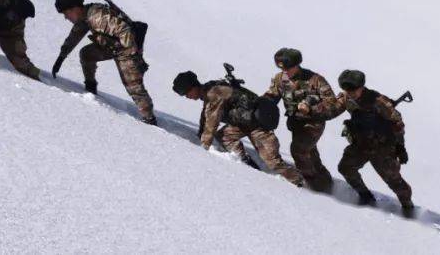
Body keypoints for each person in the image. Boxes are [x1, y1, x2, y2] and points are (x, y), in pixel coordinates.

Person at [173, 70, 303, 186]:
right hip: (243, 123)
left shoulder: (213, 93)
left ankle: (299, 181)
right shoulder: (208, 91)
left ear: (194, 86)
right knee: (223, 135)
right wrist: (201, 131)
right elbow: (206, 114)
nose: (187, 97)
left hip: (258, 125)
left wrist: (203, 147)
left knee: (273, 163)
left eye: (187, 92)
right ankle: (244, 161)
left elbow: (212, 122)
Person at [316, 70, 414, 214]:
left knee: (394, 180)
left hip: (382, 148)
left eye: (353, 90)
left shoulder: (379, 101)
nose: (350, 93)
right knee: (346, 168)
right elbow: (333, 111)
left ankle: (408, 206)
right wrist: (314, 111)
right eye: (347, 90)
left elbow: (398, 123)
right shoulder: (346, 97)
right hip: (360, 144)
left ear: (362, 86)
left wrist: (400, 146)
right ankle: (365, 196)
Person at [51, 0, 156, 124]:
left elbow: (125, 30)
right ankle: (90, 86)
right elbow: (74, 36)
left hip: (126, 49)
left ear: (75, 8)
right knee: (86, 54)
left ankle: (149, 118)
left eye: (66, 14)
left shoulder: (97, 17)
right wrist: (61, 57)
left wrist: (133, 58)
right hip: (111, 46)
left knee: (133, 85)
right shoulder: (84, 17)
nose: (66, 18)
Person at [261, 48, 338, 192]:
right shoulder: (279, 79)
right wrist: (262, 104)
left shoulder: (315, 79)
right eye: (281, 68)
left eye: (288, 68)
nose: (285, 72)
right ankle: (327, 183)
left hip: (313, 123)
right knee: (311, 154)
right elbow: (271, 96)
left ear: (297, 65)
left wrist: (311, 108)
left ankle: (314, 188)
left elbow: (332, 103)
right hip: (295, 123)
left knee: (299, 150)